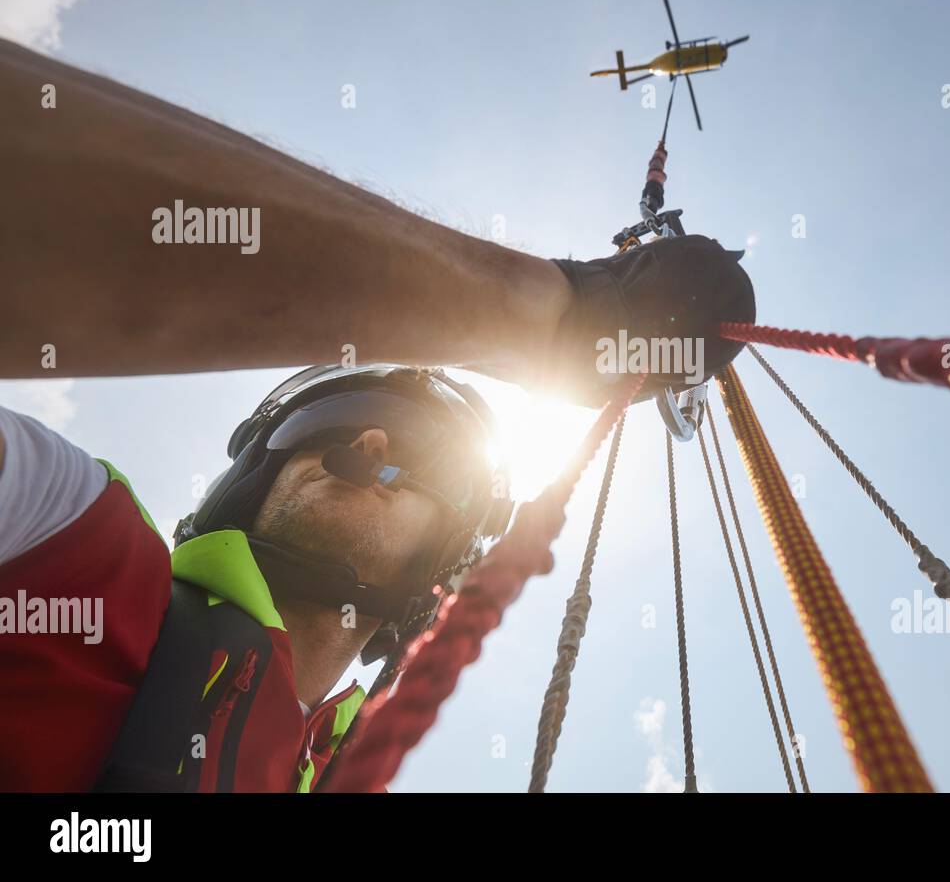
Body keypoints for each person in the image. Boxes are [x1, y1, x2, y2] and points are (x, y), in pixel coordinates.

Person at [0, 39, 753, 791]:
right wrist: (553, 317)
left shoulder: (349, 767)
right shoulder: (67, 549)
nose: (368, 438)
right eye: (331, 420)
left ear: (450, 563)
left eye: (431, 451)